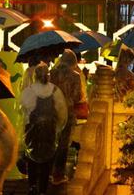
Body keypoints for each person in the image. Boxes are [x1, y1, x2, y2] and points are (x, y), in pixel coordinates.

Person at [20, 63, 67, 195]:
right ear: (48, 76)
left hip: (32, 131)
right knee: (47, 161)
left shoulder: (28, 91)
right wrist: (58, 127)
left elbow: (22, 112)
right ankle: (43, 190)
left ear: (35, 76)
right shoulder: (55, 91)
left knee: (31, 160)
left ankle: (32, 186)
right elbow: (62, 113)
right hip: (50, 131)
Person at [49, 49, 83, 185]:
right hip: (68, 113)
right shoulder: (75, 76)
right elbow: (77, 96)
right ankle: (58, 174)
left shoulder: (52, 73)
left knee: (51, 141)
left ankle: (47, 172)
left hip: (52, 111)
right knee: (63, 144)